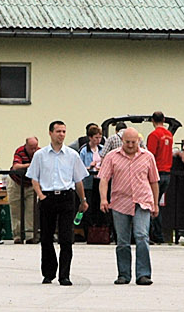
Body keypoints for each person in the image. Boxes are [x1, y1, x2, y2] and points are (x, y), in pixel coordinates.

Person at [27, 120, 89, 284]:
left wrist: (83, 200)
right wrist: (41, 195)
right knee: (46, 238)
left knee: (66, 238)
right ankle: (49, 273)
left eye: (63, 131)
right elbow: (34, 178)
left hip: (66, 197)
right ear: (50, 133)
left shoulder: (72, 155)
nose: (61, 135)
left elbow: (78, 180)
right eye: (58, 131)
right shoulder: (40, 155)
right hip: (47, 197)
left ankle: (64, 275)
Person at [100, 126, 160, 284]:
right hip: (120, 202)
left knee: (142, 236)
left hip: (142, 201)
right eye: (127, 142)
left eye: (134, 142)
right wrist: (103, 199)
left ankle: (143, 274)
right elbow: (104, 179)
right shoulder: (112, 156)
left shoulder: (148, 157)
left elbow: (154, 181)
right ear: (122, 141)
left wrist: (155, 203)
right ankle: (124, 274)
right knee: (122, 241)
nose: (131, 145)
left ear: (138, 141)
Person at [147, 112, 175, 243]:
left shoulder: (154, 135)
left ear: (152, 120)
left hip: (156, 173)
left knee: (151, 204)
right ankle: (158, 234)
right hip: (167, 173)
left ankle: (154, 234)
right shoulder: (169, 134)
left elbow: (150, 155)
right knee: (156, 203)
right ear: (164, 120)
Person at [9, 136, 41, 244]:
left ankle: (30, 235)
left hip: (31, 184)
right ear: (26, 145)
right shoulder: (20, 151)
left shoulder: (40, 152)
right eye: (31, 147)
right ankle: (17, 235)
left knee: (31, 210)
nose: (33, 150)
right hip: (16, 182)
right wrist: (30, 165)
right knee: (16, 209)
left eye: (35, 147)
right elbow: (16, 166)